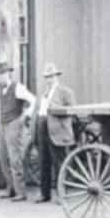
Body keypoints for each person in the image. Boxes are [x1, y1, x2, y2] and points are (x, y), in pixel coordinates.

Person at [34, 63, 76, 203]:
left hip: (58, 130)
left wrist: (57, 108)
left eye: (51, 76)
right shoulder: (43, 93)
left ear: (57, 76)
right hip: (42, 127)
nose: (49, 79)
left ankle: (61, 194)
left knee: (59, 163)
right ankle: (44, 193)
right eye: (46, 77)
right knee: (43, 162)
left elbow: (72, 110)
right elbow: (39, 110)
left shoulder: (65, 92)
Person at [0, 62, 37, 201]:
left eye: (4, 74)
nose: (1, 77)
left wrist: (25, 116)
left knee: (14, 158)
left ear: (9, 74)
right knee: (3, 158)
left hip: (14, 123)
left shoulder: (18, 87)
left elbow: (34, 101)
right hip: (3, 125)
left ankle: (21, 191)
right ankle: (11, 188)